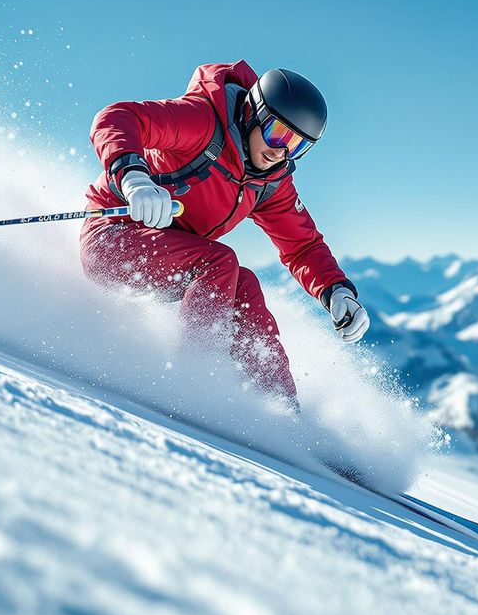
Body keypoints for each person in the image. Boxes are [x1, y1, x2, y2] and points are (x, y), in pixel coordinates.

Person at [79, 61, 369, 404]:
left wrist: (335, 291)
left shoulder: (268, 182)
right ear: (252, 113)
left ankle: (280, 409)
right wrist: (133, 177)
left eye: (297, 146)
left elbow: (303, 246)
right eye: (278, 133)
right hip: (112, 238)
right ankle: (197, 380)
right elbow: (117, 117)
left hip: (171, 258)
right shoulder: (202, 122)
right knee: (220, 262)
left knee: (244, 286)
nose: (281, 151)